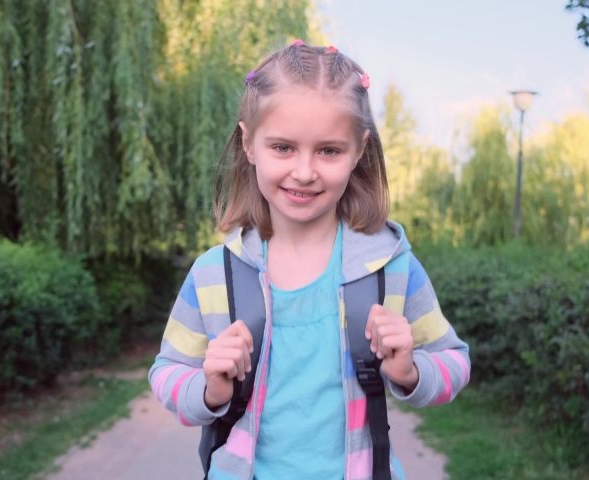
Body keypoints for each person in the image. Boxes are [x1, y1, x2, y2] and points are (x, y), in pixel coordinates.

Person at [148, 40, 470, 480]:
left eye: (329, 151)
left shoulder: (391, 266)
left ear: (359, 150)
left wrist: (412, 372)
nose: (304, 171)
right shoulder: (212, 273)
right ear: (248, 143)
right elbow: (167, 372)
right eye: (282, 148)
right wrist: (208, 388)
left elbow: (454, 361)